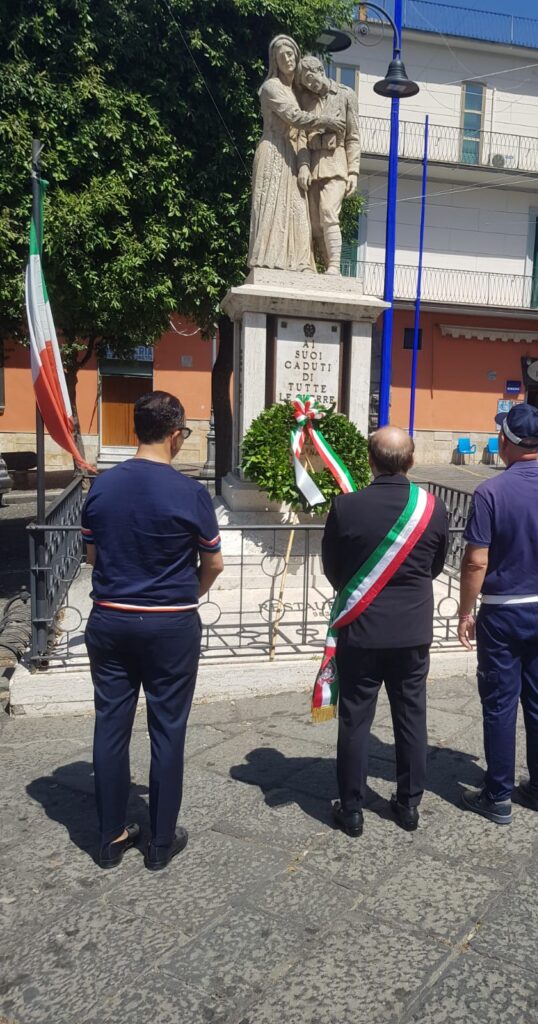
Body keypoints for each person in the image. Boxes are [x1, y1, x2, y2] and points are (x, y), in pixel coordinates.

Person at [81, 391, 223, 870]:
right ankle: (161, 842)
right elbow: (214, 563)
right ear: (176, 434)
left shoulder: (101, 486)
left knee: (110, 724)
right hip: (169, 624)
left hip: (110, 618)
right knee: (167, 729)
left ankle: (110, 837)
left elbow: (93, 557)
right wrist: (188, 596)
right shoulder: (190, 493)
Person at [457, 404, 538, 824]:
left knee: (499, 703)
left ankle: (498, 795)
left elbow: (476, 561)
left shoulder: (491, 492)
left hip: (503, 612)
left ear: (507, 442)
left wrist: (465, 611)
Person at [321, 426, 448, 837]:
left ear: (370, 460)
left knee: (355, 719)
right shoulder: (433, 507)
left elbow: (333, 570)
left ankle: (353, 809)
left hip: (361, 629)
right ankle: (409, 805)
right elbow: (436, 566)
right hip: (412, 629)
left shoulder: (346, 506)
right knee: (411, 717)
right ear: (410, 462)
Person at [247, 35, 344, 272]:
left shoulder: (296, 92)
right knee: (273, 208)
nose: (287, 59)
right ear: (275, 62)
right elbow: (294, 117)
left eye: (290, 54)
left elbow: (300, 134)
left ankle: (301, 264)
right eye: (282, 57)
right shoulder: (271, 87)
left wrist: (303, 164)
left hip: (291, 155)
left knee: (299, 213)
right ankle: (268, 261)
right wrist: (325, 120)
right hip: (273, 151)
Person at [296, 55, 361, 275]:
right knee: (314, 222)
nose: (311, 84)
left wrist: (353, 171)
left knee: (328, 213)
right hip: (314, 165)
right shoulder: (306, 101)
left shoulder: (345, 95)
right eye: (306, 82)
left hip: (337, 163)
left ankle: (334, 265)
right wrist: (303, 165)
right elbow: (301, 138)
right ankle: (316, 266)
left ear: (320, 70)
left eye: (311, 78)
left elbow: (353, 137)